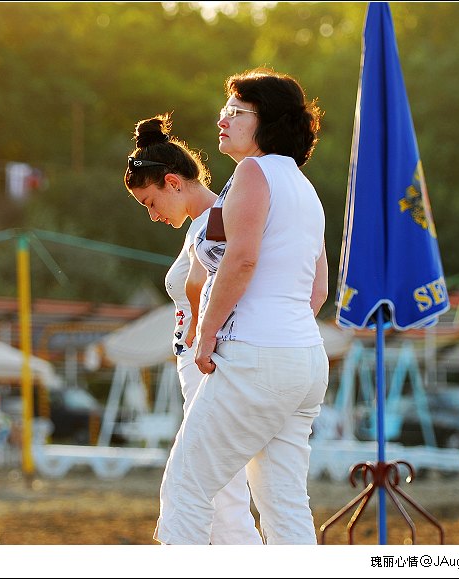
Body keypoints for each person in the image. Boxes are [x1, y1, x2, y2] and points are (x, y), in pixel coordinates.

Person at [153, 67, 329, 545]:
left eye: (236, 111)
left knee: (186, 489)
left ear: (266, 121)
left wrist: (206, 333)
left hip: (256, 355)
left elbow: (242, 259)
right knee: (286, 504)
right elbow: (318, 290)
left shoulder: (253, 172)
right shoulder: (305, 189)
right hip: (304, 359)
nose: (222, 119)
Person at [124, 113, 262, 544]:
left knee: (215, 486)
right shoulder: (207, 224)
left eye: (150, 202)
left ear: (173, 182)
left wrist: (201, 338)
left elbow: (237, 281)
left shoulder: (216, 223)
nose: (153, 216)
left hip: (209, 364)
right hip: (201, 365)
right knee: (220, 487)